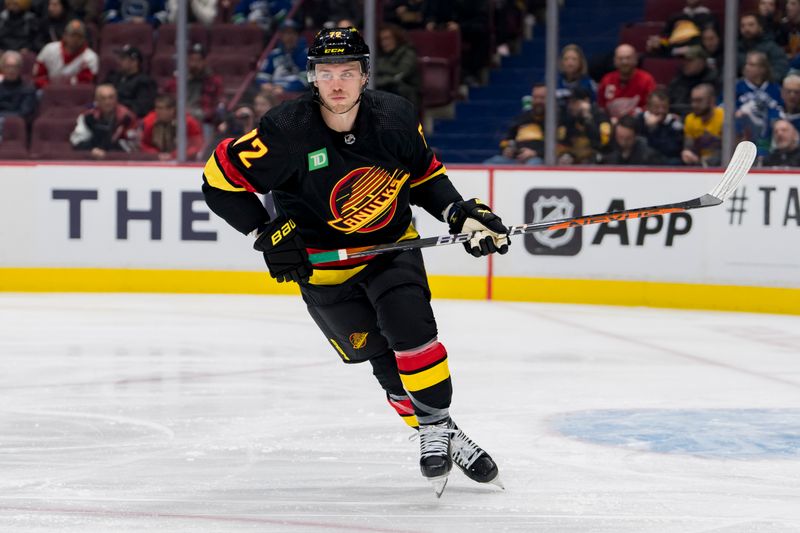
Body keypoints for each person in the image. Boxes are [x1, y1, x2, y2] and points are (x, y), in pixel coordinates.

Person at [201, 27, 508, 496]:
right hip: (322, 269)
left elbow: (424, 174)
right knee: (385, 367)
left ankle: (435, 425)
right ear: (313, 78)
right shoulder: (285, 132)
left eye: (347, 72)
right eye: (326, 73)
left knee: (412, 333)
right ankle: (445, 431)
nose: (337, 83)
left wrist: (457, 212)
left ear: (365, 76)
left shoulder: (395, 119)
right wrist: (264, 231)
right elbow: (217, 180)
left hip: (390, 249)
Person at [164, 42, 224, 130]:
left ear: (204, 61)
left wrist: (204, 114)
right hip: (178, 118)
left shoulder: (214, 81)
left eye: (198, 60)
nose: (194, 64)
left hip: (203, 120)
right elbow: (166, 99)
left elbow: (218, 105)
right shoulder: (178, 79)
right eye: (191, 60)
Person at [70, 83, 138, 159]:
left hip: (120, 159)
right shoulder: (88, 117)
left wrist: (109, 152)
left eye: (111, 97)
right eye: (103, 98)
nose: (107, 102)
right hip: (92, 158)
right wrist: (92, 149)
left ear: (116, 99)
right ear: (97, 101)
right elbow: (77, 141)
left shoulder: (127, 117)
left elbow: (133, 145)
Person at [484, 83, 546, 165]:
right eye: (535, 97)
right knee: (490, 163)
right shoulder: (522, 118)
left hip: (540, 159)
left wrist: (535, 153)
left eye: (542, 98)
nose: (538, 101)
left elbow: (560, 147)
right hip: (517, 158)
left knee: (533, 163)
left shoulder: (557, 120)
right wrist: (506, 149)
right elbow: (507, 140)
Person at [736, 50, 783, 156]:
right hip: (742, 140)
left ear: (763, 69)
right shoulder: (736, 87)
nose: (747, 67)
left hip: (768, 140)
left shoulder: (775, 89)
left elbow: (781, 111)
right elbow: (723, 109)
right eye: (746, 64)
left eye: (752, 64)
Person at [33, 19, 98, 88]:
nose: (76, 39)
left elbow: (85, 84)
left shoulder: (90, 57)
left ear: (84, 38)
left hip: (74, 95)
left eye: (79, 36)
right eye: (72, 35)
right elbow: (39, 76)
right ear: (65, 35)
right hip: (48, 91)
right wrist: (50, 89)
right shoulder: (49, 49)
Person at [597, 44, 656, 120]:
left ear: (635, 59)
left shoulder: (646, 80)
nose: (624, 62)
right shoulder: (607, 79)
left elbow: (651, 107)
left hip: (637, 125)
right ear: (614, 61)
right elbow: (601, 107)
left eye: (628, 58)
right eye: (620, 58)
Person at [141, 93, 204, 160]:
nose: (158, 112)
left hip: (182, 160)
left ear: (172, 110)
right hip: (157, 159)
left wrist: (173, 155)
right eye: (157, 108)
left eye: (162, 108)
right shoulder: (149, 121)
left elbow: (196, 145)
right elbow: (144, 144)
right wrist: (156, 155)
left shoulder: (188, 122)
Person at [556, 86, 610, 164]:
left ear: (586, 101)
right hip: (573, 156)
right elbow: (563, 139)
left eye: (574, 102)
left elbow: (602, 142)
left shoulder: (600, 116)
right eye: (569, 102)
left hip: (594, 157)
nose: (571, 106)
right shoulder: (568, 117)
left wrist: (587, 118)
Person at [374, 24, 421, 109]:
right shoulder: (381, 56)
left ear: (396, 38)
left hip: (406, 96)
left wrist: (380, 79)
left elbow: (400, 74)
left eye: (387, 39)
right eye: (382, 40)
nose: (384, 43)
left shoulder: (408, 53)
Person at [255, 20, 308, 94]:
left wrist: (286, 88)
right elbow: (263, 74)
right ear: (281, 36)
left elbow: (306, 79)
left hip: (296, 93)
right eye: (286, 33)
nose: (290, 36)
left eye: (293, 33)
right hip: (274, 89)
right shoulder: (273, 54)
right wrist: (264, 84)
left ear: (298, 35)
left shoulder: (306, 54)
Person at [104, 44, 157, 118]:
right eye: (119, 58)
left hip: (128, 120)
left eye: (123, 59)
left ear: (134, 62)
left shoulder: (144, 82)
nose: (119, 61)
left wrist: (116, 106)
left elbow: (141, 108)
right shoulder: (113, 76)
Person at [667, 45, 720, 117]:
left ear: (701, 61)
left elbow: (707, 108)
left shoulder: (711, 80)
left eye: (690, 60)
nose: (685, 63)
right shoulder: (678, 79)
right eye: (684, 60)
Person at [633, 90, 683, 165]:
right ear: (648, 107)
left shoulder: (674, 123)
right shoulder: (639, 120)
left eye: (664, 107)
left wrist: (654, 129)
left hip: (666, 163)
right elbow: (638, 146)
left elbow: (673, 149)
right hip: (642, 162)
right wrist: (649, 128)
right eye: (657, 107)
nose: (661, 111)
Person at [738, 12, 788, 82]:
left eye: (751, 25)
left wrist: (761, 80)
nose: (746, 29)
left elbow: (780, 71)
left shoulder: (772, 48)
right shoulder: (736, 49)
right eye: (743, 26)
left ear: (760, 27)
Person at [682, 83, 724, 166]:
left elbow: (730, 150)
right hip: (699, 165)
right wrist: (687, 154)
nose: (694, 105)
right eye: (693, 100)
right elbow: (688, 147)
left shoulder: (724, 117)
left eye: (699, 100)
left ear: (711, 101)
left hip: (722, 166)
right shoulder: (690, 119)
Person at [0, 50, 37, 121]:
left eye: (14, 67)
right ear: (2, 68)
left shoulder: (28, 89)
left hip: (16, 125)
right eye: (8, 66)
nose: (11, 70)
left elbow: (24, 113)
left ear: (20, 68)